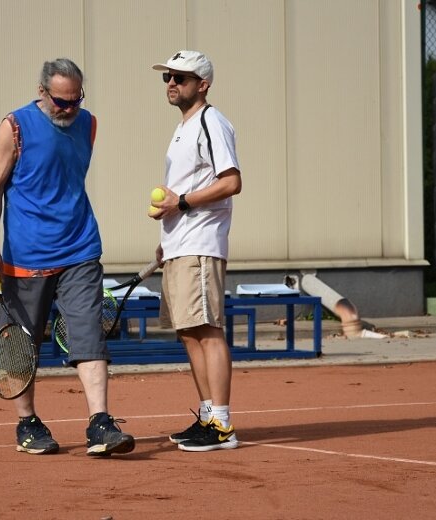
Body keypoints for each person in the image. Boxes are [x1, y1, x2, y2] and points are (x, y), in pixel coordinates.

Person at [0, 58, 135, 457]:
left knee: (88, 334)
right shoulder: (14, 126)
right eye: (61, 102)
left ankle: (100, 423)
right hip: (24, 258)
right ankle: (27, 423)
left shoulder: (88, 124)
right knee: (20, 346)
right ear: (42, 92)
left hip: (80, 248)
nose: (69, 109)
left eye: (75, 100)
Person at [148, 50, 242, 452]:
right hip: (179, 245)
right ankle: (208, 417)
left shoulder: (211, 122)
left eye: (180, 78)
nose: (171, 83)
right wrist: (166, 240)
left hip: (201, 243)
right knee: (189, 332)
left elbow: (232, 182)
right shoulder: (183, 127)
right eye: (168, 77)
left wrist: (181, 203)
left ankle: (222, 424)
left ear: (202, 85)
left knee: (207, 329)